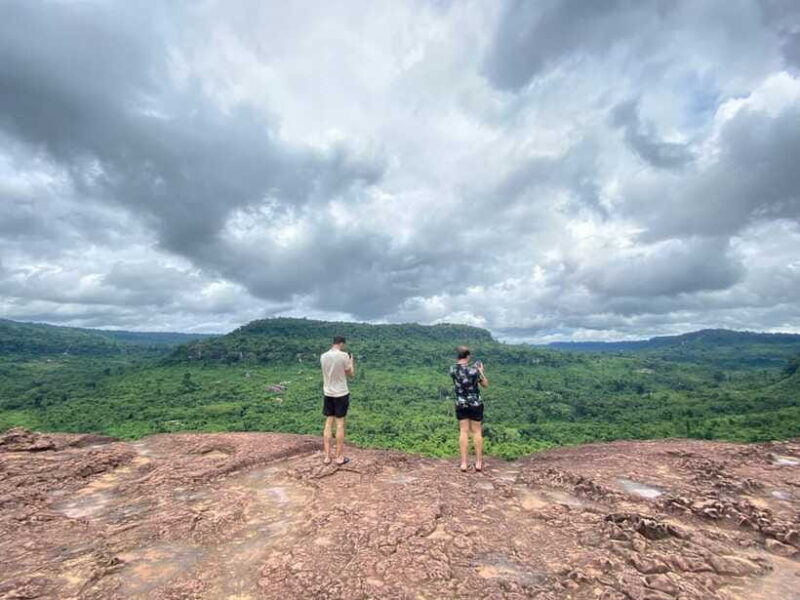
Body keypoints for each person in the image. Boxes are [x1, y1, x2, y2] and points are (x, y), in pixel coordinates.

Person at [449, 346, 488, 472]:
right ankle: (478, 463)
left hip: (461, 403)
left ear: (457, 356)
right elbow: (485, 385)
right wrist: (481, 371)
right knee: (476, 432)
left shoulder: (452, 369)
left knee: (463, 431)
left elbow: (460, 375)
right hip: (475, 403)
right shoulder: (474, 370)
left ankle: (464, 463)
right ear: (468, 356)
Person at [320, 335, 355, 465]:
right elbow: (350, 374)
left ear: (332, 343)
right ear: (341, 343)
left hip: (328, 393)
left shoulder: (323, 356)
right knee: (340, 424)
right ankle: (339, 457)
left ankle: (327, 457)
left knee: (328, 423)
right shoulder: (344, 355)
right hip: (341, 393)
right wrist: (352, 362)